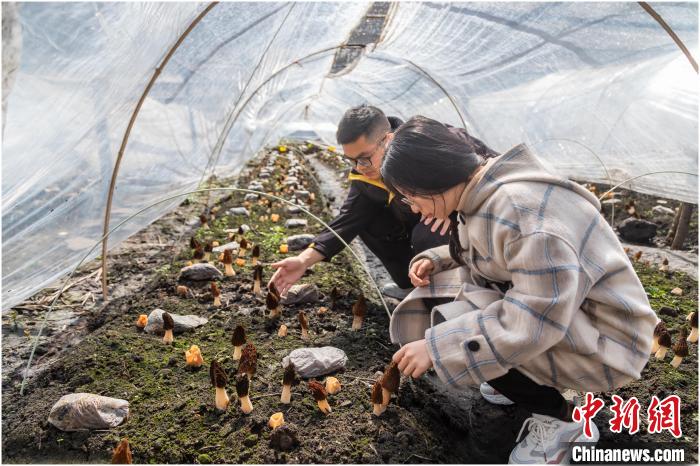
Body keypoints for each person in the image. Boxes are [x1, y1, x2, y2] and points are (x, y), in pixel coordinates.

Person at [381, 116, 657, 464]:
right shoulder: (481, 191)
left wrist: (439, 347)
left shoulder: (520, 212)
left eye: (410, 196)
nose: (413, 208)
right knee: (443, 296)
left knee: (452, 328)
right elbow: (500, 258)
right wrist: (439, 258)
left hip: (610, 340)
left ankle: (564, 422)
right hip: (574, 312)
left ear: (431, 179)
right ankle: (518, 381)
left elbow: (535, 317)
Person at [269, 105, 466, 299]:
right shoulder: (365, 177)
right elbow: (347, 220)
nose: (359, 167)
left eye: (364, 158)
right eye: (351, 160)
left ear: (387, 139)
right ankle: (409, 284)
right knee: (369, 222)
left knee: (428, 234)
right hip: (411, 219)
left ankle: (445, 297)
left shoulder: (428, 139)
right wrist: (303, 260)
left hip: (451, 225)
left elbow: (481, 167)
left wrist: (455, 212)